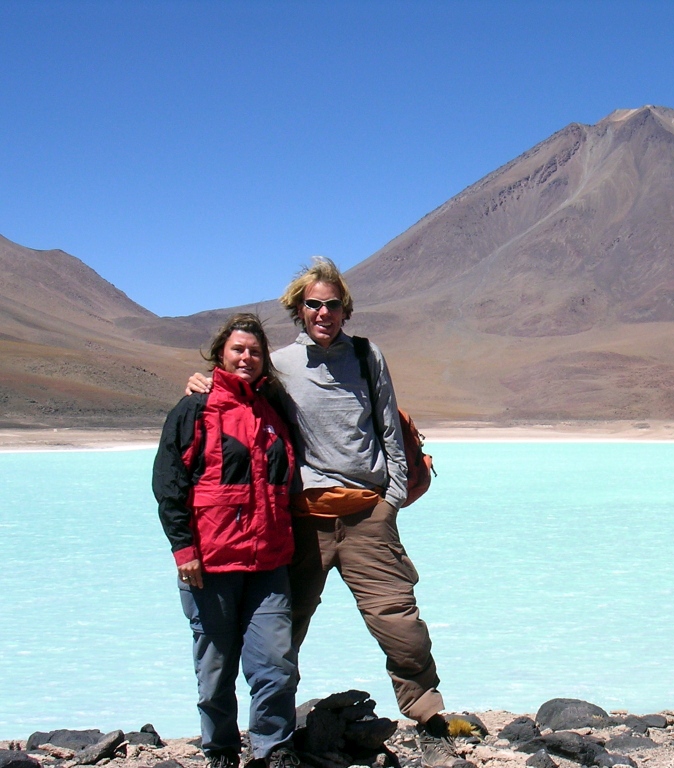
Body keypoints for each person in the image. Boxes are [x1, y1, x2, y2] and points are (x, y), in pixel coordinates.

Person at [187, 258, 464, 768]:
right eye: (313, 303)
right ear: (298, 309)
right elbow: (241, 391)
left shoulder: (366, 355)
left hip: (367, 514)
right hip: (300, 521)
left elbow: (388, 426)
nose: (323, 312)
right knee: (280, 629)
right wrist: (203, 382)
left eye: (333, 304)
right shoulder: (281, 364)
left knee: (397, 620)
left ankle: (427, 713)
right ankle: (270, 735)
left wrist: (390, 501)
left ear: (345, 309)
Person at [155, 313, 299, 768]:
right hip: (211, 564)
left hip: (269, 563)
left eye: (255, 351)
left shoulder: (272, 408)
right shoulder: (194, 409)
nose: (246, 357)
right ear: (221, 353)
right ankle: (220, 751)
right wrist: (184, 552)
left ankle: (273, 750)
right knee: (215, 672)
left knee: (275, 664)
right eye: (238, 349)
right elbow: (169, 486)